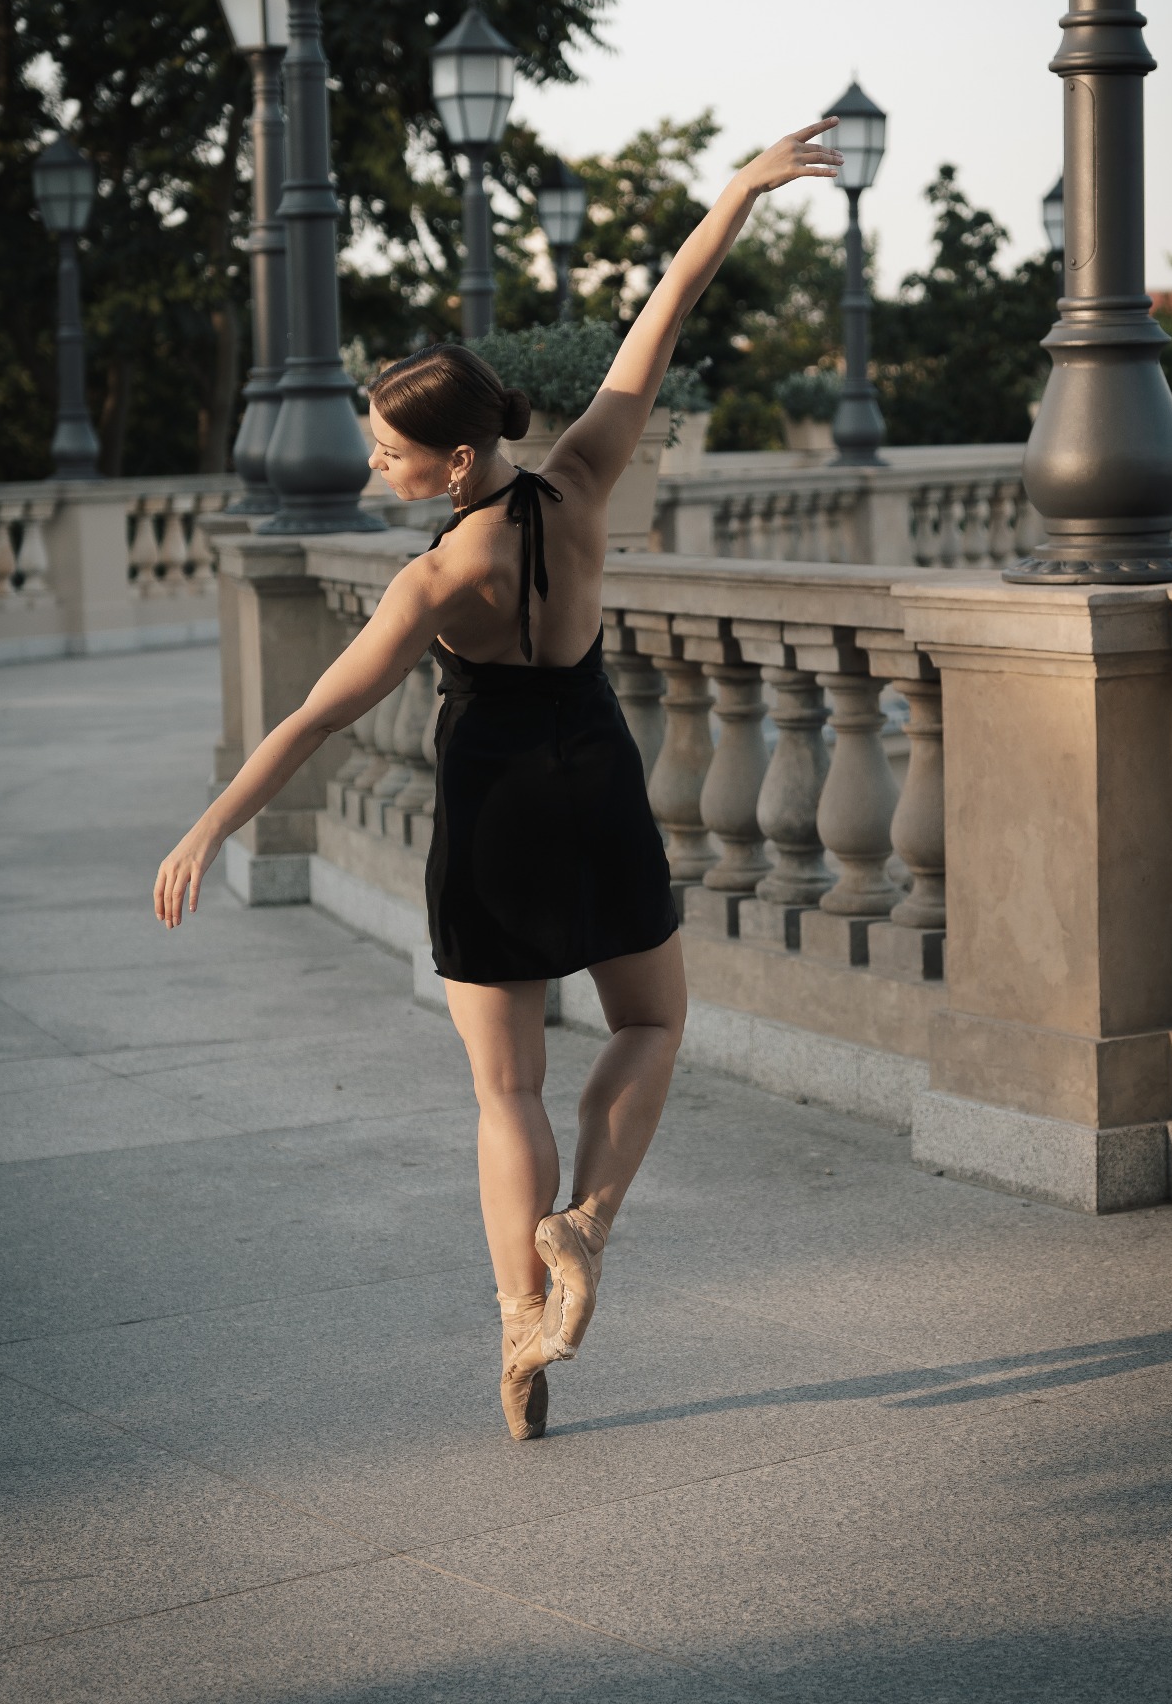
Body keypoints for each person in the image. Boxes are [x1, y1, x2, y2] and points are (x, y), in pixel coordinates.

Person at [154, 118, 844, 1439]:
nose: (376, 464)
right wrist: (741, 190)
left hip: (493, 814)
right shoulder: (583, 483)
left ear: (456, 461)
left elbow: (312, 719)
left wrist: (209, 828)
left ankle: (522, 1338)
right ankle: (587, 1223)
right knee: (650, 1024)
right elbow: (664, 314)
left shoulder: (431, 581)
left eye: (390, 452)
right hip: (598, 785)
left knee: (506, 1089)